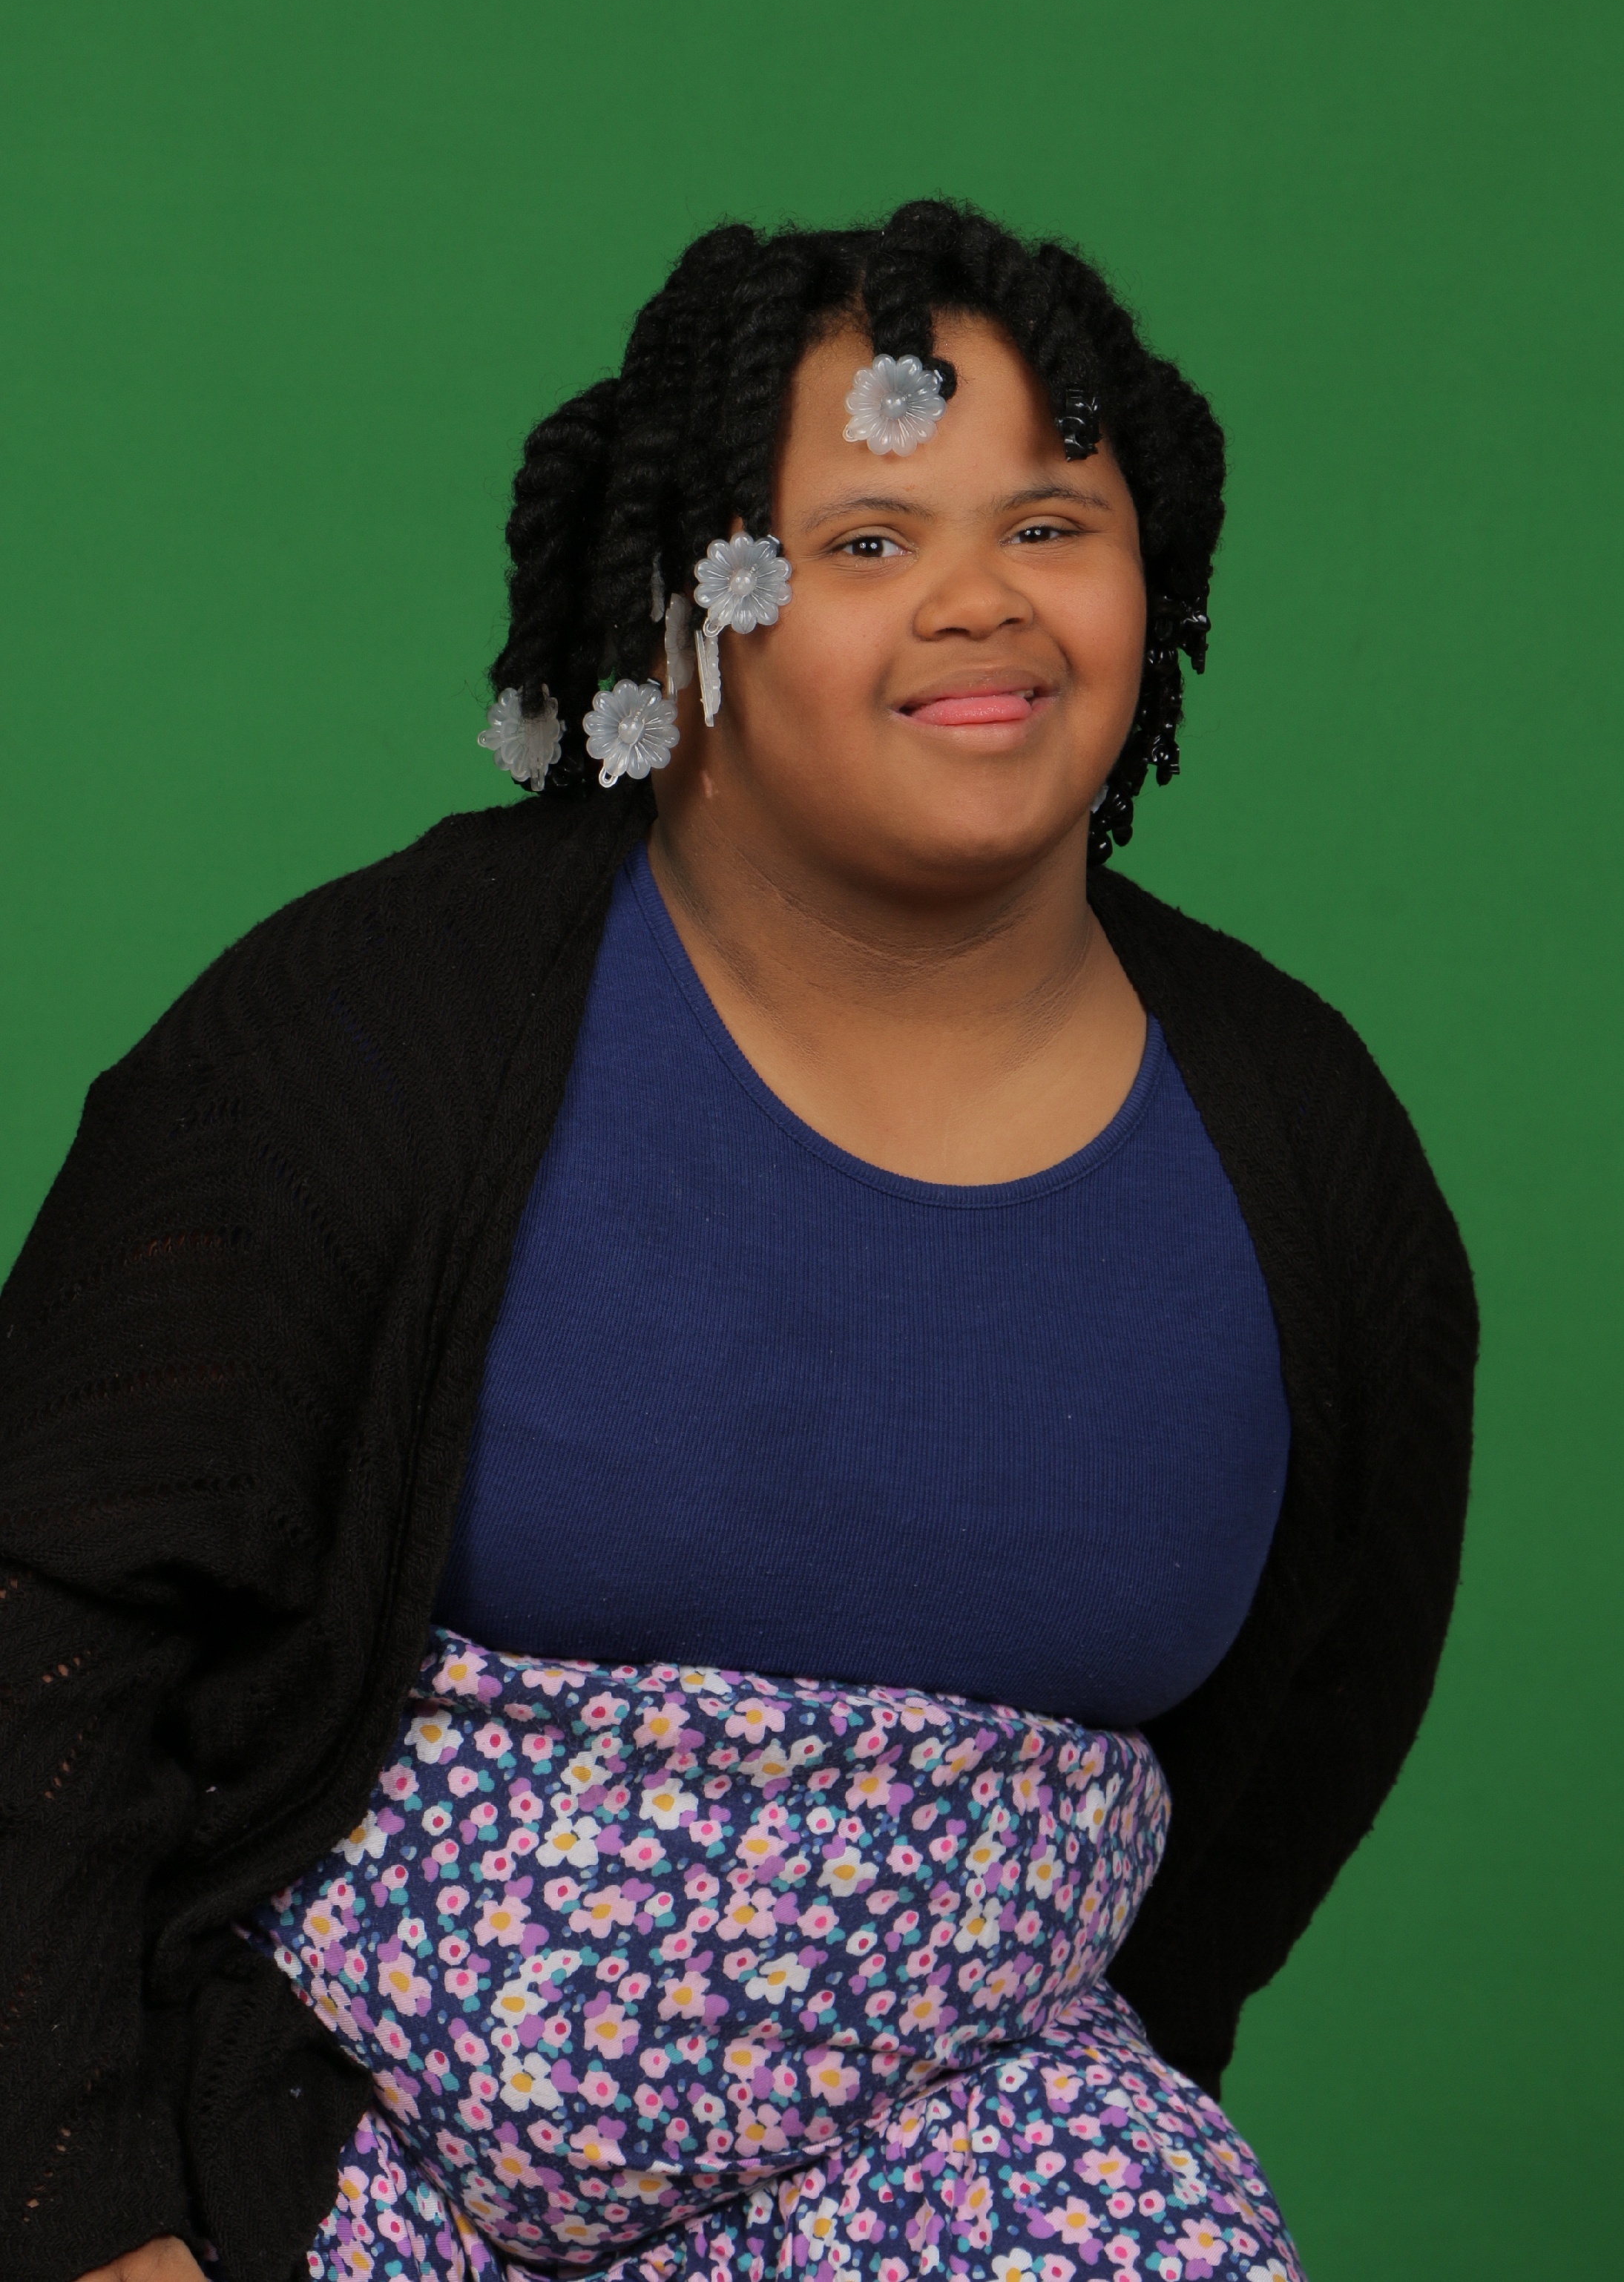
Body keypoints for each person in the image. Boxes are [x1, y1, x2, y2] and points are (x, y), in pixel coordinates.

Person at [1, 203, 1476, 2282]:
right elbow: (45, 1608)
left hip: (956, 2151)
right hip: (321, 2137)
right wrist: (81, 2212)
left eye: (1053, 524)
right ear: (684, 605)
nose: (983, 599)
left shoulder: (1304, 1150)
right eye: (867, 540)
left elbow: (1304, 1729)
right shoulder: (369, 1038)